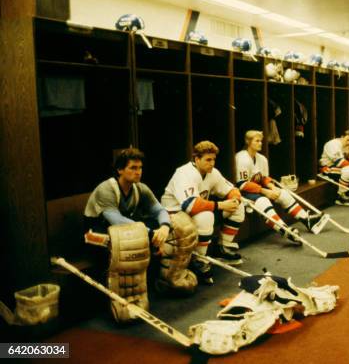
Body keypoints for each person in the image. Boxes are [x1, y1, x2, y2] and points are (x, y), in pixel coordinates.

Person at [84, 148, 197, 322]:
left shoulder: (140, 188)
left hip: (125, 232)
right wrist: (152, 234)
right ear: (120, 170)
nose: (138, 172)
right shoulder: (106, 189)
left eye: (140, 168)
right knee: (131, 240)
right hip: (95, 236)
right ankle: (124, 300)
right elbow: (116, 220)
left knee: (179, 225)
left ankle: (169, 279)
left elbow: (159, 210)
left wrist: (164, 227)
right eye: (133, 168)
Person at [161, 141, 245, 284]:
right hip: (174, 217)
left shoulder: (212, 172)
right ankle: (198, 261)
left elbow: (231, 190)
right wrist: (220, 204)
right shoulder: (184, 173)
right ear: (196, 159)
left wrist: (235, 199)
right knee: (206, 216)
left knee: (237, 207)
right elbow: (191, 206)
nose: (212, 163)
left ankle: (222, 248)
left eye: (213, 159)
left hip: (193, 216)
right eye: (208, 160)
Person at [236, 130, 323, 241]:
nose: (260, 143)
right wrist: (266, 191)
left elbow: (264, 178)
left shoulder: (262, 158)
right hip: (245, 192)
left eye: (261, 141)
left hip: (259, 189)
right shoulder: (241, 158)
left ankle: (306, 219)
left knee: (283, 193)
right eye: (257, 141)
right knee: (263, 201)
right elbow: (242, 184)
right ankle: (285, 230)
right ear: (248, 142)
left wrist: (272, 187)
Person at [319, 130, 349, 206]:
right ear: (341, 137)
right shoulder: (333, 144)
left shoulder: (346, 145)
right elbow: (339, 161)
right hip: (327, 168)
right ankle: (340, 195)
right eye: (347, 140)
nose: (348, 142)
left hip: (337, 167)